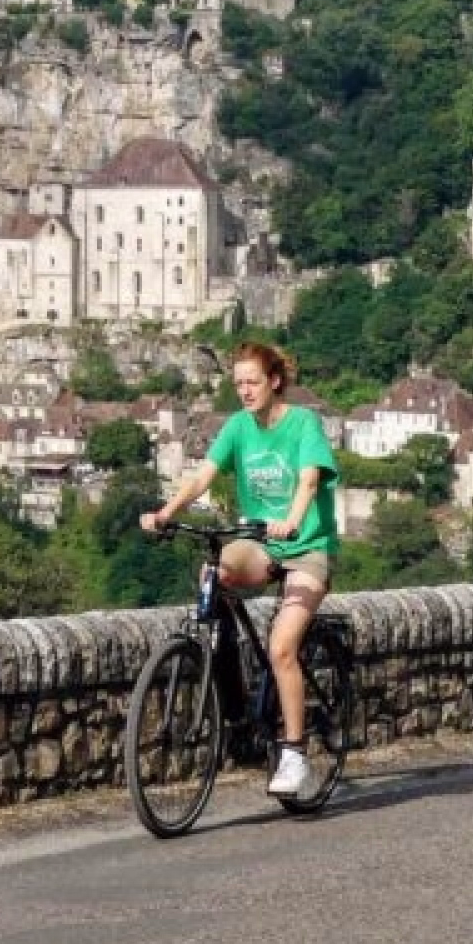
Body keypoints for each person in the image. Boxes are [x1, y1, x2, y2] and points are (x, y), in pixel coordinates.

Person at [140, 340, 340, 797]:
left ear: (274, 381)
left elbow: (309, 476)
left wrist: (292, 519)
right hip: (260, 543)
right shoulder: (237, 427)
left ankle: (294, 754)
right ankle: (232, 700)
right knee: (214, 574)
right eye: (238, 384)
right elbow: (202, 476)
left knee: (282, 647)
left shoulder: (303, 423)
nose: (245, 391)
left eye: (252, 382)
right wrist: (167, 511)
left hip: (306, 545)